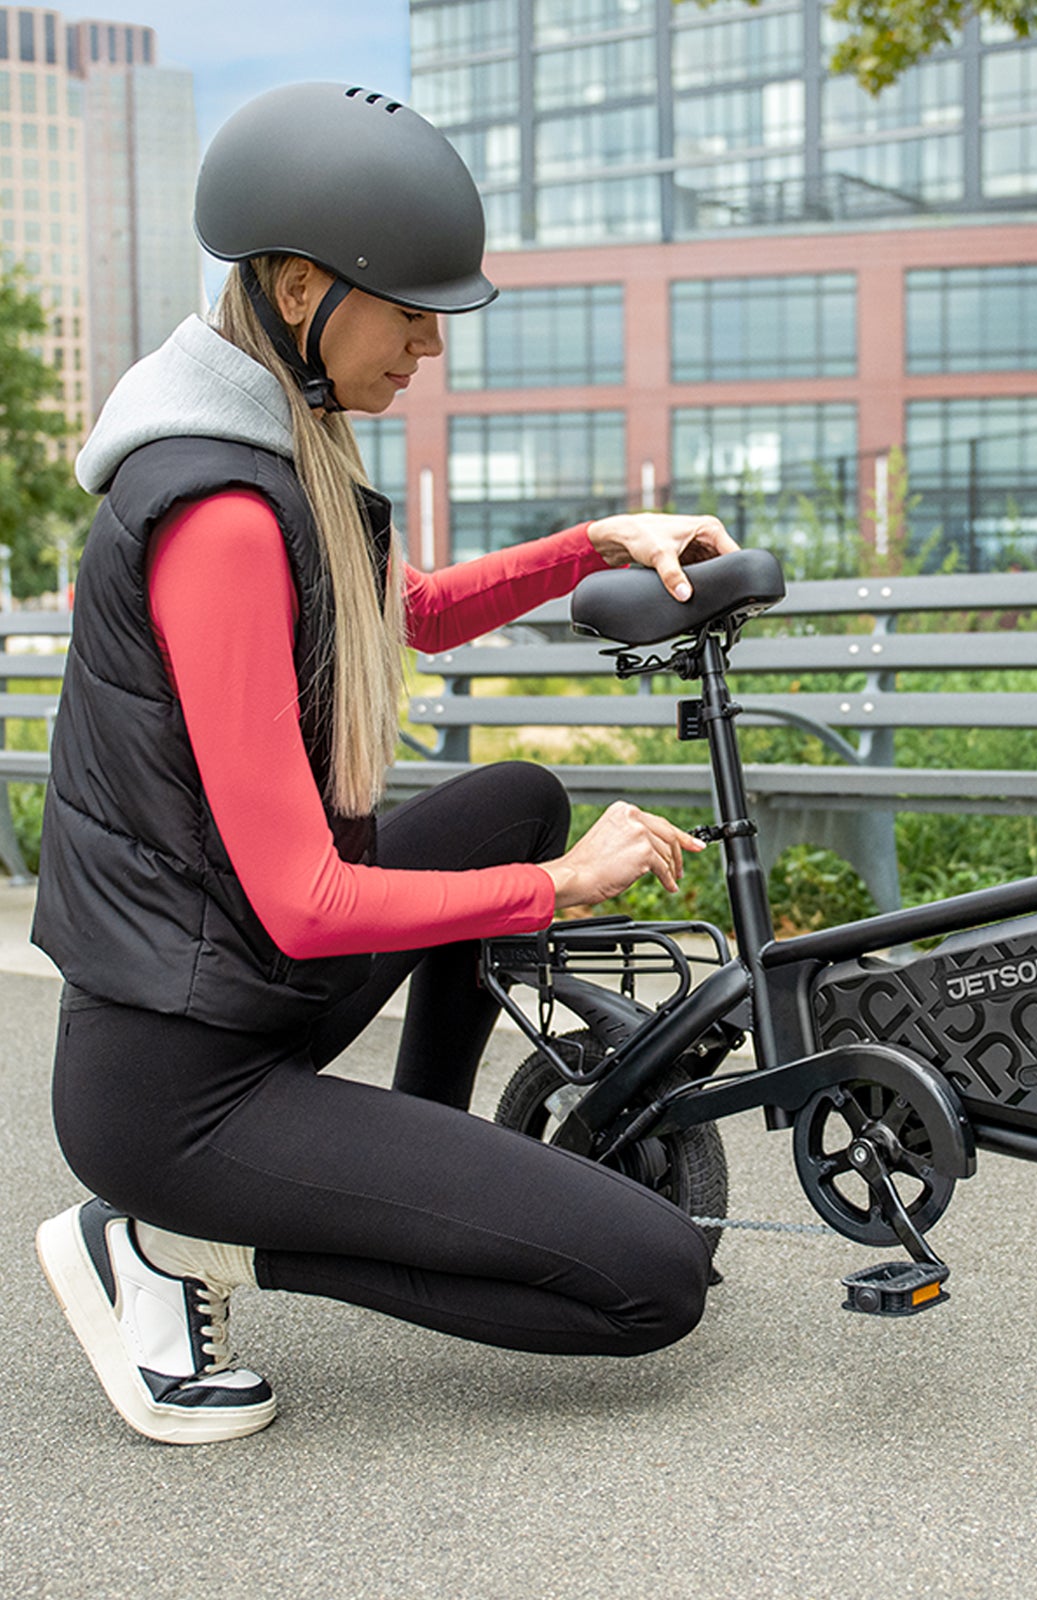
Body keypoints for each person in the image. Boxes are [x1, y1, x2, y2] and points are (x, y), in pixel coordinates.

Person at [32, 82, 737, 1446]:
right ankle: (171, 1249)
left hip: (244, 986)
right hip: (181, 1088)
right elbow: (303, 896)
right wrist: (557, 886)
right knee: (655, 1281)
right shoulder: (223, 513)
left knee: (515, 793)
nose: (427, 343)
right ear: (302, 289)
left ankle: (422, 1156)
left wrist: (597, 540)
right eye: (407, 307)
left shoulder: (278, 454)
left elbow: (401, 613)